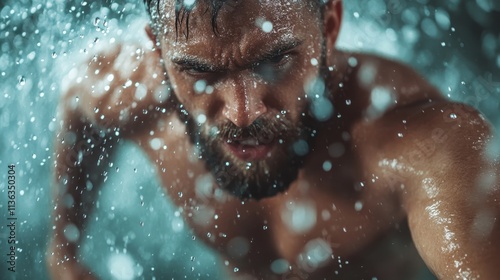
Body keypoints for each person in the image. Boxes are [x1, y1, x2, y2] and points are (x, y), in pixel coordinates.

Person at [47, 0, 500, 279]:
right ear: (159, 52)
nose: (243, 113)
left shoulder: (424, 144)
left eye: (276, 60)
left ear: (330, 25)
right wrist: (63, 252)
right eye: (201, 72)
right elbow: (77, 109)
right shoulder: (132, 95)